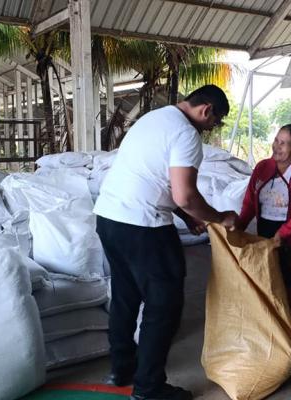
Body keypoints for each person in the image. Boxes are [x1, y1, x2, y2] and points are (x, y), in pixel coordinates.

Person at [94, 85, 237, 400]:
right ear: (206, 110)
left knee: (125, 296)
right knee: (164, 305)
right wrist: (217, 217)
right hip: (143, 226)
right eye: (216, 121)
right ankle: (149, 388)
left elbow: (157, 178)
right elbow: (184, 194)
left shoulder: (155, 118)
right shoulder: (186, 134)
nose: (213, 128)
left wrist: (187, 217)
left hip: (109, 218)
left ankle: (122, 369)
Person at [235, 123, 291, 367]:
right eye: (276, 140)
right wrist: (238, 227)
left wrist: (284, 232)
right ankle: (276, 345)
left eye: (284, 143)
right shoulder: (263, 168)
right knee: (270, 293)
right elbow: (250, 203)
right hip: (266, 241)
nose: (276, 146)